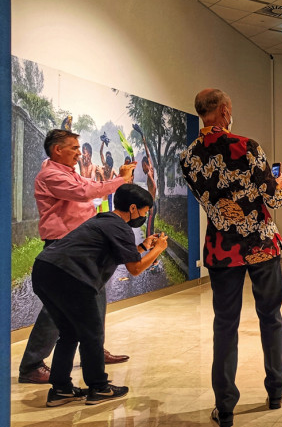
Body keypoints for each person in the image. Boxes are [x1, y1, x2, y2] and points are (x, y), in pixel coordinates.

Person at [180, 88, 282, 426]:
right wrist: (279, 183)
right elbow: (274, 200)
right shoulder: (248, 146)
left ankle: (225, 406)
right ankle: (275, 391)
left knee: (225, 325)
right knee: (270, 317)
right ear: (225, 111)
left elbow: (208, 200)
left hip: (221, 249)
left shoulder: (188, 158)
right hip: (260, 245)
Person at [32, 184, 168, 407]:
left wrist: (143, 246)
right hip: (71, 276)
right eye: (144, 212)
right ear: (133, 208)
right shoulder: (120, 227)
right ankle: (99, 387)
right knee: (92, 334)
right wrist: (159, 248)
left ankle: (61, 390)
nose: (144, 216)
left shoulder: (104, 220)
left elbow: (122, 253)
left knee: (69, 332)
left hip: (44, 270)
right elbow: (134, 269)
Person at [18, 129, 135, 385]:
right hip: (63, 246)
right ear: (57, 149)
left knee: (97, 298)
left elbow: (92, 188)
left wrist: (118, 179)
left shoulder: (70, 173)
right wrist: (121, 181)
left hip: (81, 244)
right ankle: (31, 365)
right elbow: (83, 193)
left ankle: (94, 350)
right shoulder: (50, 175)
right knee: (56, 308)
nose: (79, 152)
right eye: (73, 147)